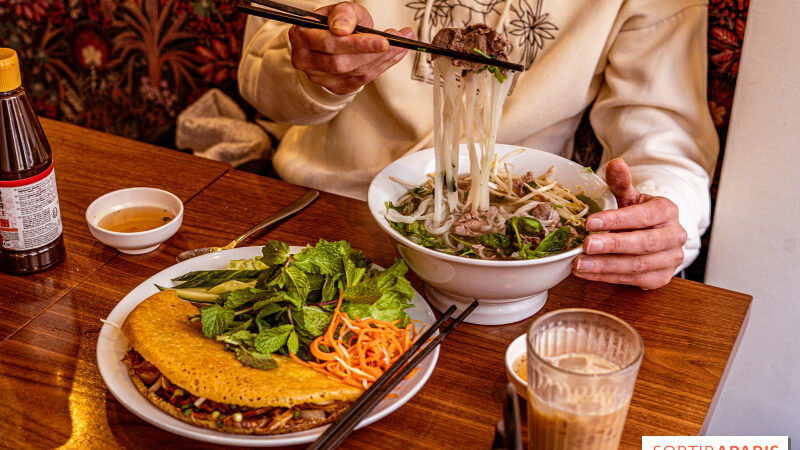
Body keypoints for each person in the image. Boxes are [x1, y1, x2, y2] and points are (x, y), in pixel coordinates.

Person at [238, 0, 719, 290]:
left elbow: (665, 141)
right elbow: (262, 78)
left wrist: (657, 213)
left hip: (522, 257)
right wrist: (315, 69)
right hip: (322, 212)